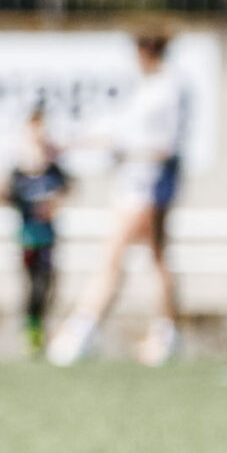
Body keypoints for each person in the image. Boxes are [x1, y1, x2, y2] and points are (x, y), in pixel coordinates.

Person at [46, 34, 187, 367]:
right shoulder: (147, 88)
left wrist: (126, 152)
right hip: (132, 185)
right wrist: (74, 144)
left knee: (118, 257)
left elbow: (163, 146)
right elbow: (121, 136)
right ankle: (163, 332)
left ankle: (84, 329)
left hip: (148, 186)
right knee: (150, 259)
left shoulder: (169, 89)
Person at [0, 104, 67, 356]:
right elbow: (2, 194)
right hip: (28, 236)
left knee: (47, 284)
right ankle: (31, 330)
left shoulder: (52, 168)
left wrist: (53, 204)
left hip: (48, 236)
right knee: (33, 285)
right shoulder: (19, 169)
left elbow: (66, 191)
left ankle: (40, 329)